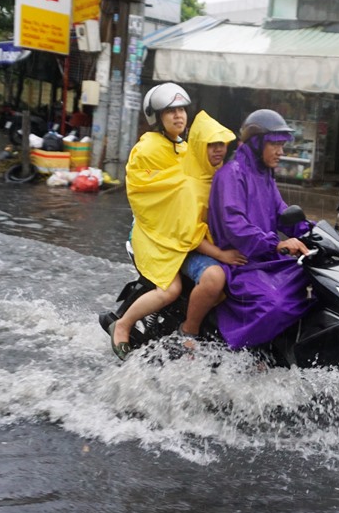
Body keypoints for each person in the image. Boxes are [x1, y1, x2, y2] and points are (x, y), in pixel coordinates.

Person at [109, 83, 205, 358]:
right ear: (157, 117)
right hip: (152, 234)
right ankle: (122, 325)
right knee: (170, 289)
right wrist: (185, 183)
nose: (178, 116)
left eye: (181, 110)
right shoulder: (147, 148)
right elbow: (142, 188)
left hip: (180, 231)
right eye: (170, 111)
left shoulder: (186, 148)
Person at [207, 109, 315, 350]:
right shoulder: (231, 174)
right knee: (274, 305)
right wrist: (275, 244)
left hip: (266, 260)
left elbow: (282, 213)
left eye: (282, 144)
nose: (281, 151)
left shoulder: (265, 174)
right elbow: (234, 225)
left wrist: (313, 232)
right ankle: (239, 351)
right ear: (256, 143)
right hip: (242, 263)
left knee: (312, 284)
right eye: (274, 144)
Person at [177, 111, 245, 339]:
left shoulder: (224, 176)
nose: (218, 149)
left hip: (217, 245)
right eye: (211, 144)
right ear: (198, 146)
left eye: (222, 144)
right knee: (215, 277)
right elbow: (189, 236)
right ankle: (190, 329)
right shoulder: (189, 185)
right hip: (187, 250)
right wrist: (221, 255)